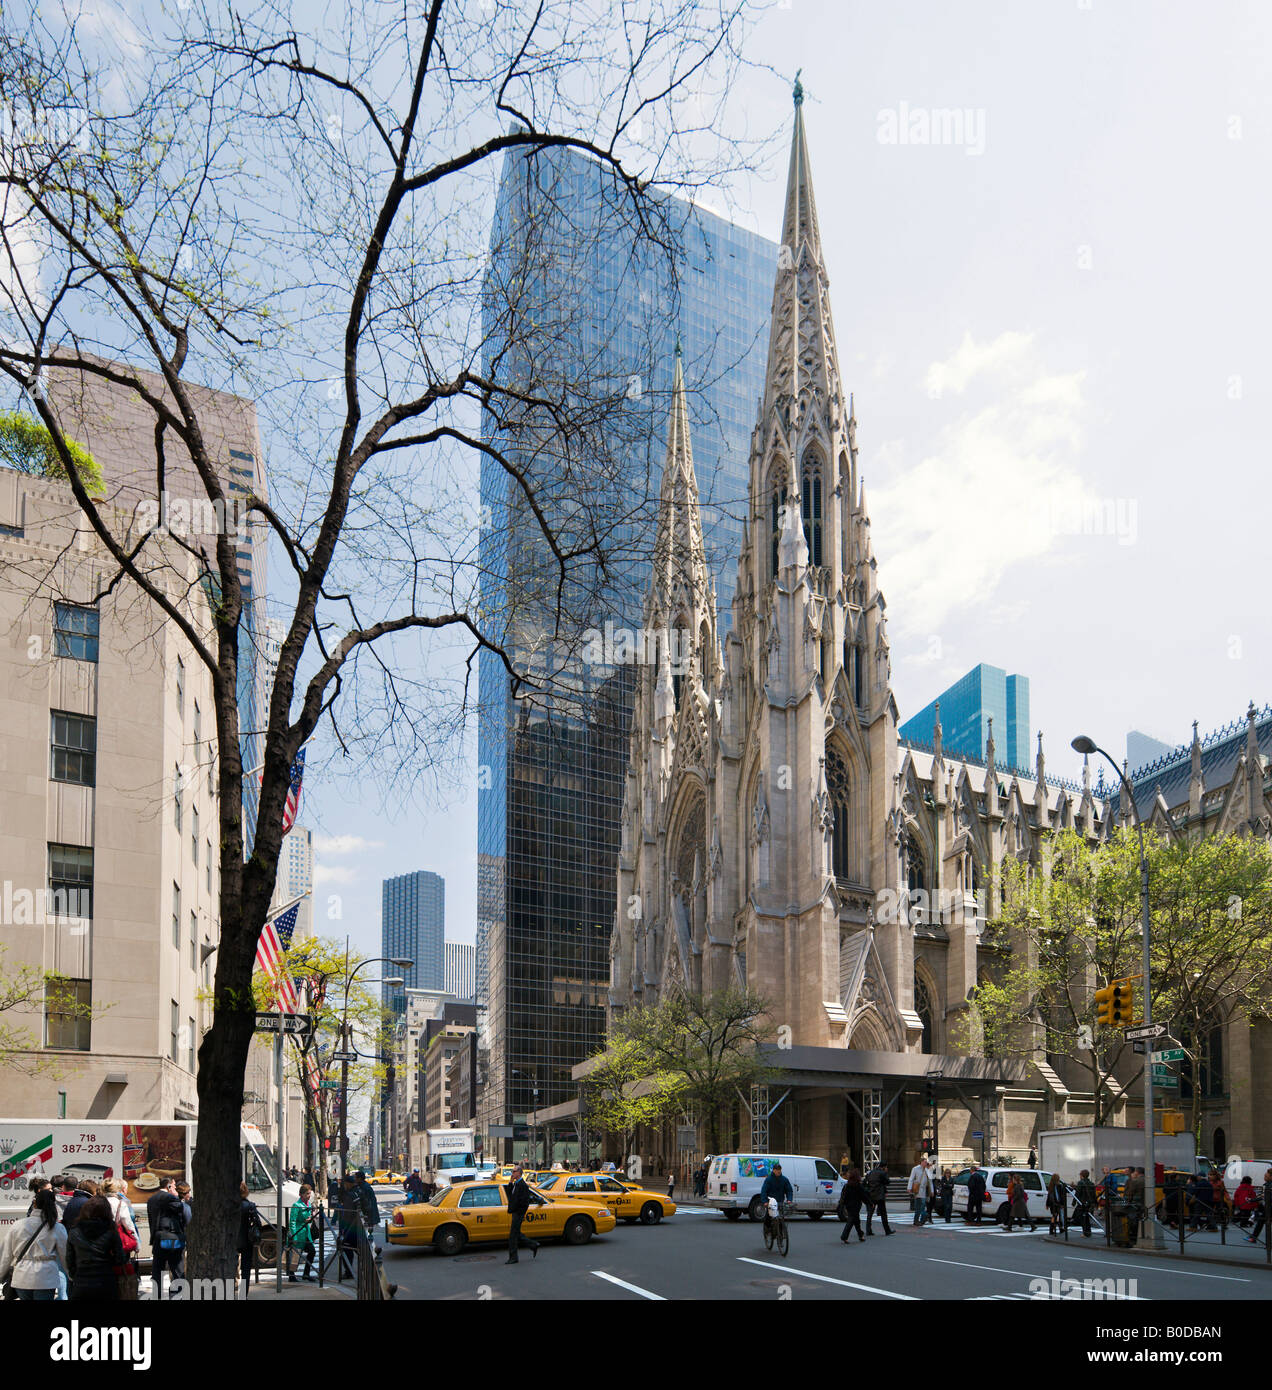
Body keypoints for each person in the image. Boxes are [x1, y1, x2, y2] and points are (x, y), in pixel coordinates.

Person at [0, 1185, 67, 1301]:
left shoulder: (18, 1225)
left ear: (34, 1204)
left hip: (22, 1277)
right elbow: (65, 1255)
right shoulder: (57, 1227)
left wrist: (1, 1275)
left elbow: (6, 1255)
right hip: (46, 1279)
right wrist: (71, 1275)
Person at [66, 1195, 125, 1302]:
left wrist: (74, 1274)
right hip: (106, 1280)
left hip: (81, 1280)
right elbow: (120, 1258)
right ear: (107, 1211)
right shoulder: (110, 1230)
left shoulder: (74, 1231)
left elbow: (70, 1259)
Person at [146, 1178, 186, 1297]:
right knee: (177, 1269)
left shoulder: (151, 1199)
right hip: (172, 1237)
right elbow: (181, 1210)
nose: (175, 1189)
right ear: (168, 1186)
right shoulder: (170, 1198)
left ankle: (156, 1295)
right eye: (174, 1186)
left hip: (157, 1237)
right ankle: (177, 1294)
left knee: (157, 1270)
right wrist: (176, 1197)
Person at [504, 1164, 548, 1264]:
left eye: (514, 1171)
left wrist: (519, 1212)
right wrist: (510, 1181)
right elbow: (509, 1194)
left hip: (518, 1213)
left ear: (519, 1173)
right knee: (517, 1234)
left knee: (513, 1236)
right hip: (515, 1212)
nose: (512, 1173)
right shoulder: (516, 1183)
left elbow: (525, 1202)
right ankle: (533, 1245)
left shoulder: (522, 1185)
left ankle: (513, 1257)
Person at [287, 1185, 317, 1282]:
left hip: (306, 1232)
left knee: (312, 1251)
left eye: (310, 1193)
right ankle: (291, 1275)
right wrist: (294, 1236)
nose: (309, 1195)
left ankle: (306, 1274)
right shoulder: (297, 1205)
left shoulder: (308, 1204)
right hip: (298, 1232)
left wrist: (311, 1217)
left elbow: (307, 1218)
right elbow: (292, 1221)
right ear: (301, 1194)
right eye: (307, 1193)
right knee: (296, 1254)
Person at [238, 1181, 263, 1290]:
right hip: (246, 1240)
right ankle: (243, 1294)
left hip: (231, 1239)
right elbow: (258, 1223)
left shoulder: (229, 1206)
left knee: (230, 1267)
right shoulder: (249, 1206)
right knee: (246, 1269)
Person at [759, 1162, 794, 1240]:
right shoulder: (769, 1179)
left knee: (781, 1217)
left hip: (780, 1201)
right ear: (773, 1170)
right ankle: (767, 1229)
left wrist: (789, 1200)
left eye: (779, 1170)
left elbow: (789, 1190)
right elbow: (764, 1191)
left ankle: (780, 1233)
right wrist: (765, 1201)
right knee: (769, 1216)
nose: (778, 1171)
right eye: (777, 1170)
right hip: (770, 1202)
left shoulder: (784, 1179)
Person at [837, 1169, 867, 1243]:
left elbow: (843, 1196)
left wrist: (842, 1204)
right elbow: (864, 1196)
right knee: (851, 1221)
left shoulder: (847, 1185)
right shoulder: (858, 1186)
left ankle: (860, 1235)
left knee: (856, 1220)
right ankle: (844, 1236)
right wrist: (869, 1203)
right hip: (856, 1206)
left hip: (848, 1205)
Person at [1245, 1169, 1272, 1244]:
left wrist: (1252, 1200)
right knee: (1261, 1221)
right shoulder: (1268, 1184)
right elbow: (1264, 1196)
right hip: (1268, 1207)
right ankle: (1253, 1237)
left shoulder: (1270, 1185)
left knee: (1261, 1221)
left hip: (1270, 1207)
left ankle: (1253, 1237)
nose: (1264, 1177)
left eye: (1266, 1176)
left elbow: (1265, 1196)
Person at [865, 1162, 893, 1235]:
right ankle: (887, 1230)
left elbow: (865, 1182)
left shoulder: (871, 1172)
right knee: (883, 1214)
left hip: (871, 1195)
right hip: (879, 1196)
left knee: (870, 1214)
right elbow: (888, 1182)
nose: (887, 1169)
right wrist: (886, 1174)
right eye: (886, 1167)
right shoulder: (882, 1173)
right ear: (883, 1167)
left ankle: (868, 1230)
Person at [908, 1157, 933, 1226]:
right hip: (917, 1189)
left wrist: (932, 1191)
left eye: (926, 1162)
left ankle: (922, 1219)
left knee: (923, 1205)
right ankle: (917, 1220)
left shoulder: (927, 1170)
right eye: (925, 1162)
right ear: (921, 1162)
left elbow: (930, 1181)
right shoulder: (915, 1169)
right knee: (918, 1206)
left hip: (924, 1190)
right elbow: (911, 1179)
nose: (926, 1163)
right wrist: (909, 1188)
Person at [1073, 1169, 1097, 1238]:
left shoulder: (1080, 1183)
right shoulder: (1091, 1183)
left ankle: (1085, 1232)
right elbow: (1094, 1194)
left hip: (1082, 1203)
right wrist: (1095, 1203)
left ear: (1082, 1175)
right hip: (1089, 1203)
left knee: (1082, 1218)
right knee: (1087, 1218)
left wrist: (1074, 1202)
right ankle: (1088, 1232)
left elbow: (1077, 1193)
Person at [1124, 1167, 1146, 1242]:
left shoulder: (1135, 1181)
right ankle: (1143, 1235)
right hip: (1145, 1203)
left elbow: (1130, 1194)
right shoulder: (1148, 1180)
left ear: (1137, 1172)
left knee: (1133, 1221)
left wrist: (1128, 1202)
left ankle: (1133, 1238)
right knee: (1144, 1219)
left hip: (1136, 1203)